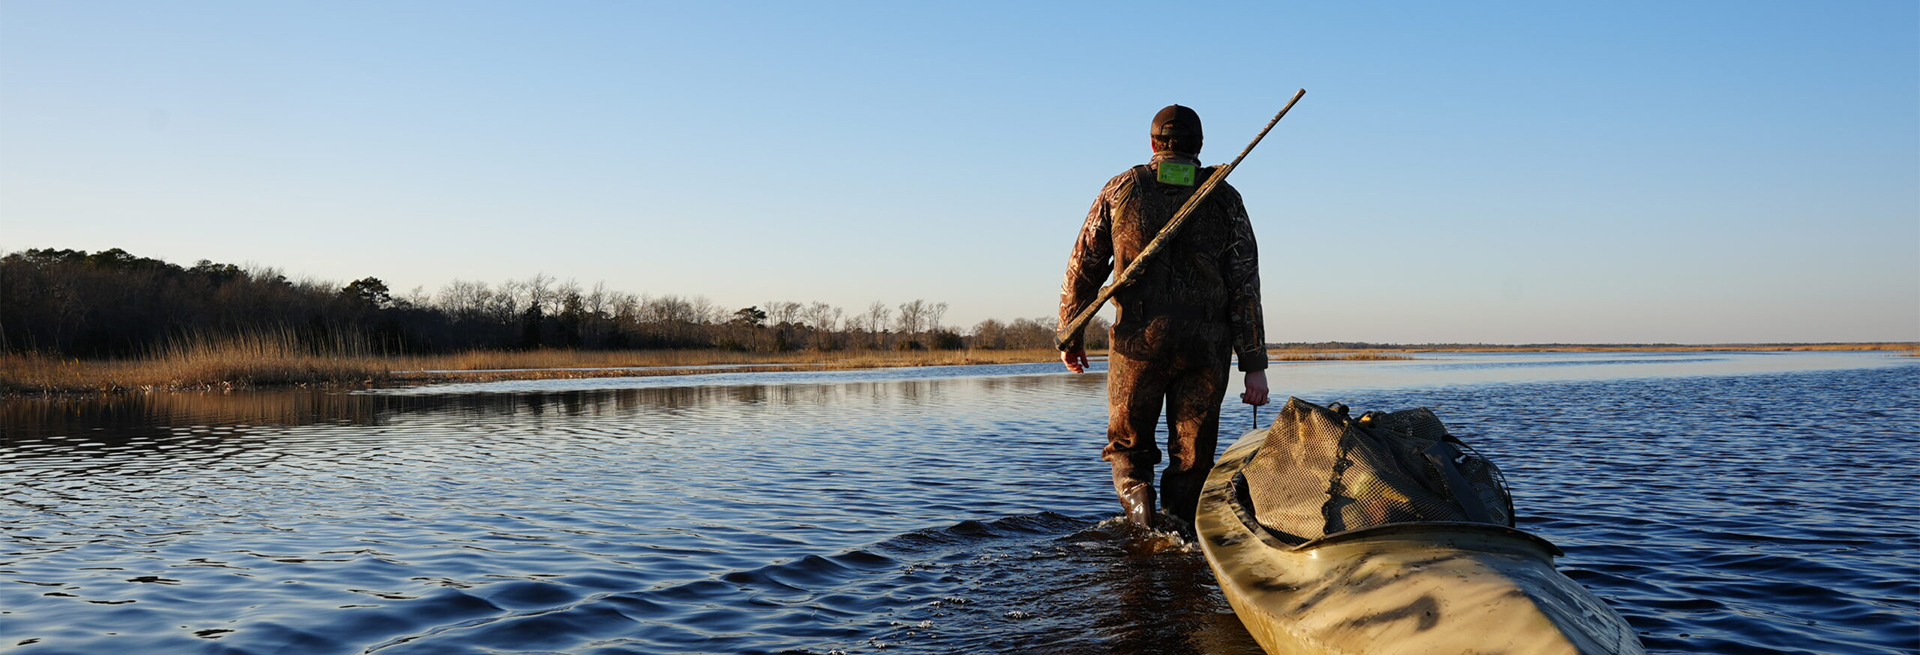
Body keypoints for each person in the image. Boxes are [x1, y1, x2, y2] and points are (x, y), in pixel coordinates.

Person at [1057, 104, 1269, 530]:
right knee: (1193, 455)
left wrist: (1070, 333)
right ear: (1200, 146)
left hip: (1139, 341)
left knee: (1128, 447)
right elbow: (1245, 284)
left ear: (1153, 144)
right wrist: (1254, 365)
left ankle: (1141, 521)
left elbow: (1083, 267)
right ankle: (1179, 540)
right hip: (1207, 346)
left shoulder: (1121, 189)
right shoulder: (1224, 196)